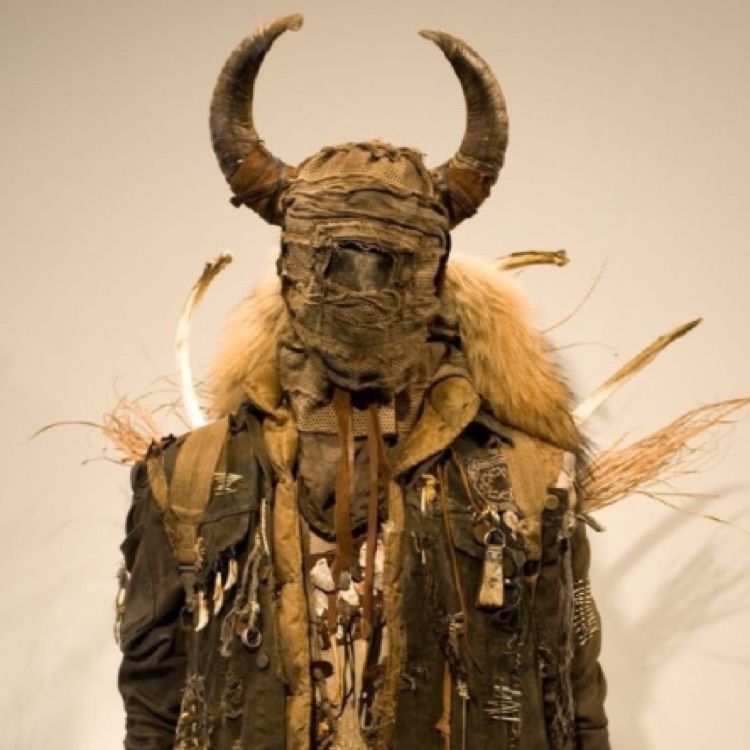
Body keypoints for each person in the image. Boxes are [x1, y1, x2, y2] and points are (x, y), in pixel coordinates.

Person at [117, 14, 609, 750]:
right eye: (331, 260)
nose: (361, 287)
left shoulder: (533, 480)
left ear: (434, 275)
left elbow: (572, 697)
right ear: (290, 271)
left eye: (392, 261)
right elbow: (154, 702)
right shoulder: (188, 480)